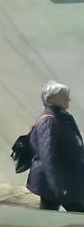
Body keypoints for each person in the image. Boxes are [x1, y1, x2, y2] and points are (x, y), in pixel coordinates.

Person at [27, 81, 84, 212]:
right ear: (53, 98)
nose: (69, 99)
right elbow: (48, 156)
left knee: (48, 216)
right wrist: (57, 186)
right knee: (78, 214)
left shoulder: (63, 117)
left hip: (64, 180)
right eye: (65, 96)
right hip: (57, 183)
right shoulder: (48, 121)